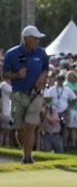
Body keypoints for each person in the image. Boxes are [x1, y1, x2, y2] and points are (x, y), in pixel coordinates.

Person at [2, 26, 50, 164]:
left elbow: (46, 69)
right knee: (19, 128)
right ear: (26, 39)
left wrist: (42, 76)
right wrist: (17, 75)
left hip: (36, 94)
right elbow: (4, 74)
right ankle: (26, 151)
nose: (37, 41)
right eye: (35, 38)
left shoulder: (41, 53)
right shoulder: (12, 54)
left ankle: (27, 158)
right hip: (18, 94)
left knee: (30, 125)